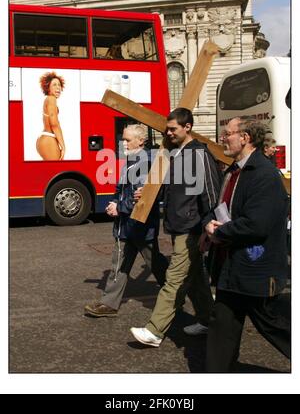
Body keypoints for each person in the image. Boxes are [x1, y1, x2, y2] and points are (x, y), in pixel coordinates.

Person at [203, 116, 290, 372]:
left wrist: (220, 233)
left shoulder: (264, 175)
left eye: (227, 133)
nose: (222, 138)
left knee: (271, 323)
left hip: (254, 268)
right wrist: (208, 223)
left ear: (245, 138)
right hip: (231, 268)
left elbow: (256, 224)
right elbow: (219, 206)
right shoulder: (233, 170)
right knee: (223, 322)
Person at [130, 108, 221, 347]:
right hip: (179, 223)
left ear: (187, 127)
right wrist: (148, 192)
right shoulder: (176, 152)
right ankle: (209, 321)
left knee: (174, 279)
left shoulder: (198, 153)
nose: (168, 133)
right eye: (167, 129)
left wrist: (207, 227)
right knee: (197, 278)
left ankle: (155, 331)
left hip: (191, 227)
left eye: (173, 129)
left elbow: (211, 192)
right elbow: (171, 186)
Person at [84, 124, 169, 317]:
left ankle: (175, 292)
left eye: (127, 140)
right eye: (123, 139)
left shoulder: (145, 162)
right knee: (120, 263)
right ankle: (109, 303)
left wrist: (119, 207)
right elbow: (122, 189)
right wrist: (114, 201)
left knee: (155, 263)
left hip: (139, 224)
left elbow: (142, 199)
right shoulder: (132, 160)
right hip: (128, 225)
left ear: (141, 140)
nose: (123, 143)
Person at [36, 71, 66, 161]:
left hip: (45, 138)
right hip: (48, 139)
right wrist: (63, 146)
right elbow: (54, 125)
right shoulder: (51, 99)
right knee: (57, 169)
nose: (58, 87)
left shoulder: (48, 100)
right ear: (48, 87)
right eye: (54, 85)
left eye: (59, 85)